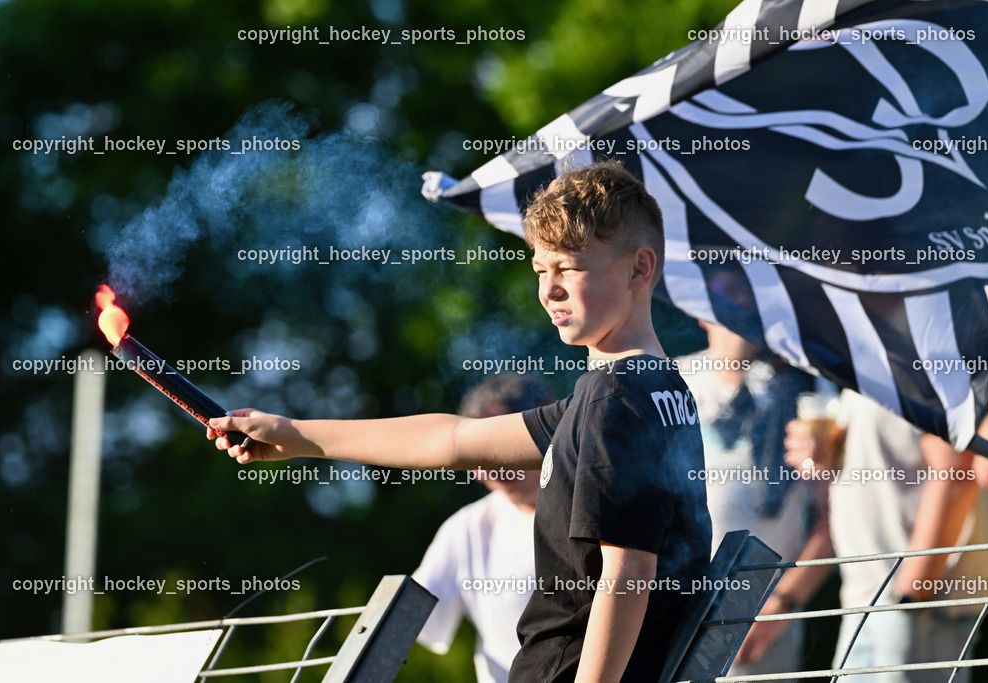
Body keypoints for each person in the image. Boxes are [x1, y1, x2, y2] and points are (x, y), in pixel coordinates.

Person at [208, 160, 713, 682]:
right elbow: (455, 439)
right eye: (541, 270)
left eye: (570, 268)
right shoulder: (654, 390)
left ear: (640, 268)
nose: (549, 290)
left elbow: (628, 572)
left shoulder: (616, 399)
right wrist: (292, 436)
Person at [785, 390, 988, 683]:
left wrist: (910, 595)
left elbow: (956, 472)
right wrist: (821, 455)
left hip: (911, 605)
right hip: (868, 598)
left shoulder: (924, 356)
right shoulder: (867, 361)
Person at [680, 321, 833, 676]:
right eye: (728, 289)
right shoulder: (672, 381)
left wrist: (779, 606)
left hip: (760, 613)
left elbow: (836, 519)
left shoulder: (805, 388)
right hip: (676, 604)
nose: (741, 307)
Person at [412, 373, 553, 683]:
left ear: (545, 432)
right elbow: (406, 622)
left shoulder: (598, 509)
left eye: (495, 447)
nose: (483, 469)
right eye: (476, 453)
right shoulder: (467, 528)